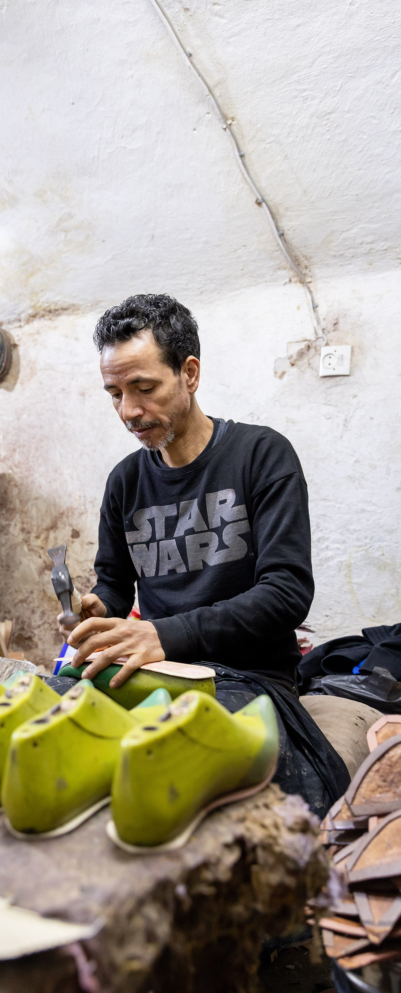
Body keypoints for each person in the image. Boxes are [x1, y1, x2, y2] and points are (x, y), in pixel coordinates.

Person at [57, 293, 349, 816]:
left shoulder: (262, 456)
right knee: (51, 708)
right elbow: (115, 585)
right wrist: (99, 606)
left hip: (249, 677)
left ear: (189, 373)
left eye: (144, 388)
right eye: (115, 393)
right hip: (156, 664)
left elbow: (286, 594)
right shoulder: (125, 482)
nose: (129, 411)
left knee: (194, 768)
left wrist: (163, 634)